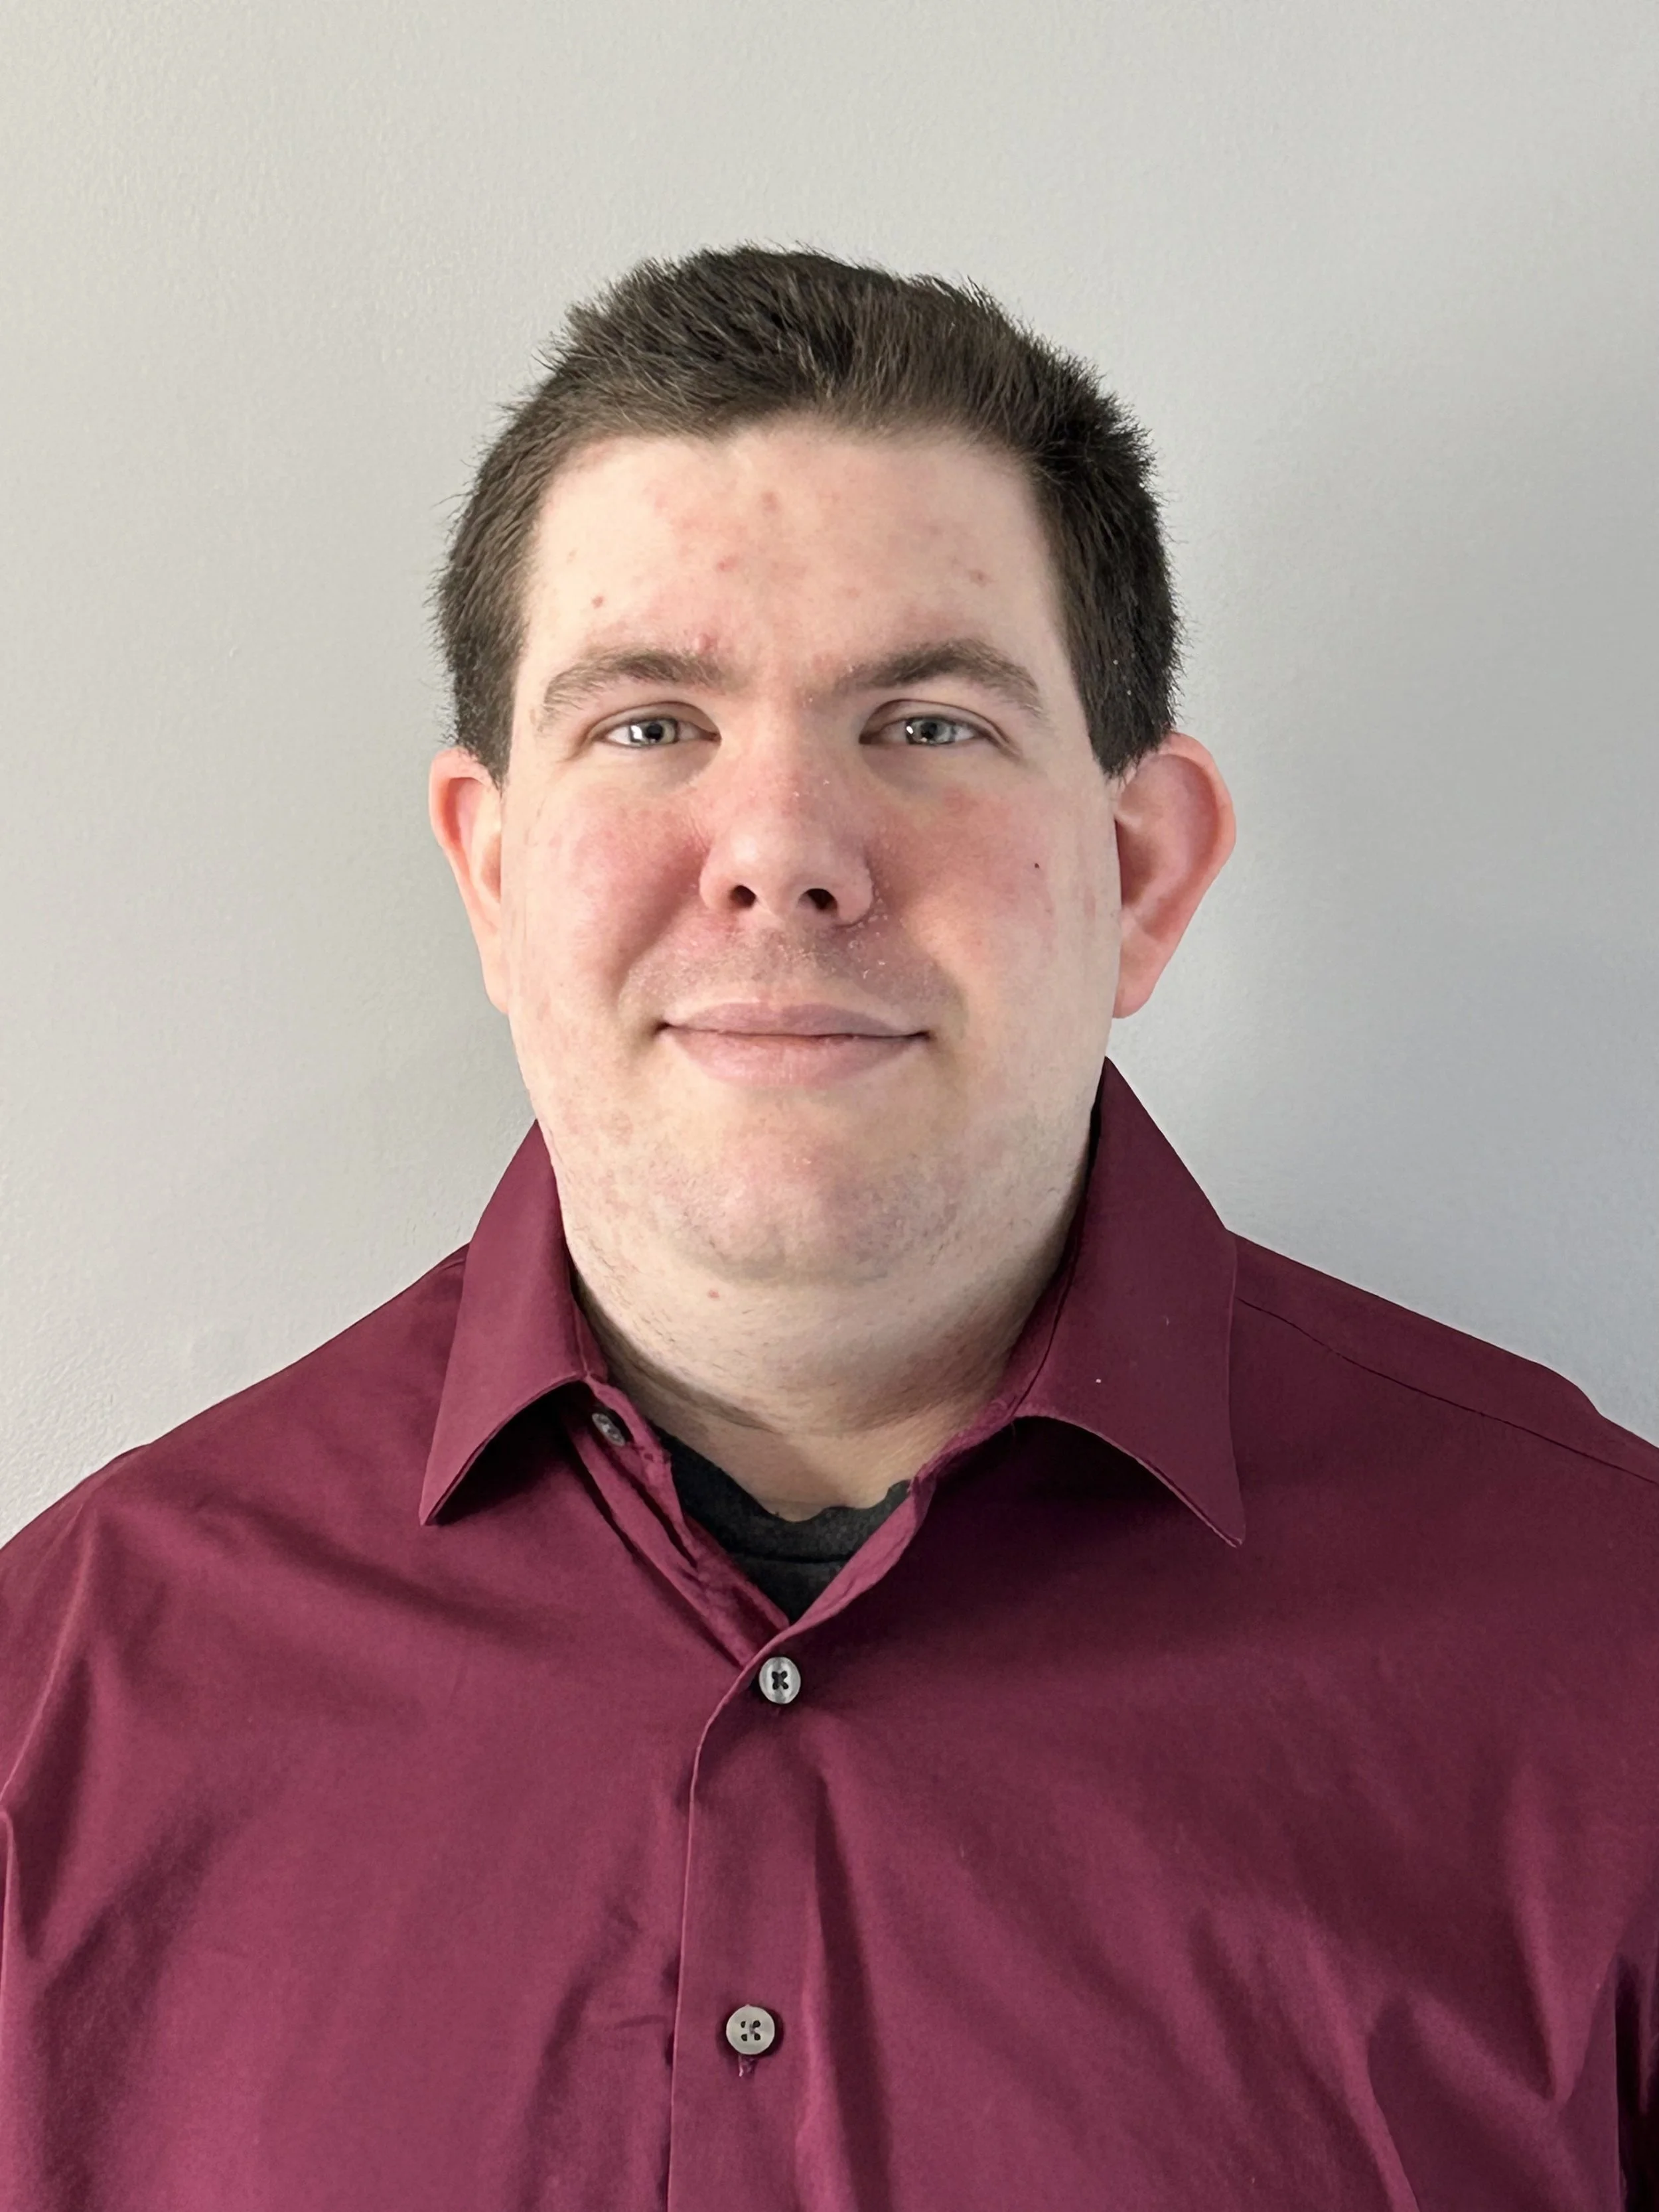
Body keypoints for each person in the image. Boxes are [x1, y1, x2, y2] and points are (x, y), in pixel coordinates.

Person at [1, 246, 1655, 2211]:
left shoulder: (1607, 1660)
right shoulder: (58, 1716)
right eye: (648, 725)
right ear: (493, 869)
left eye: (928, 722)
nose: (782, 849)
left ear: (1139, 873)